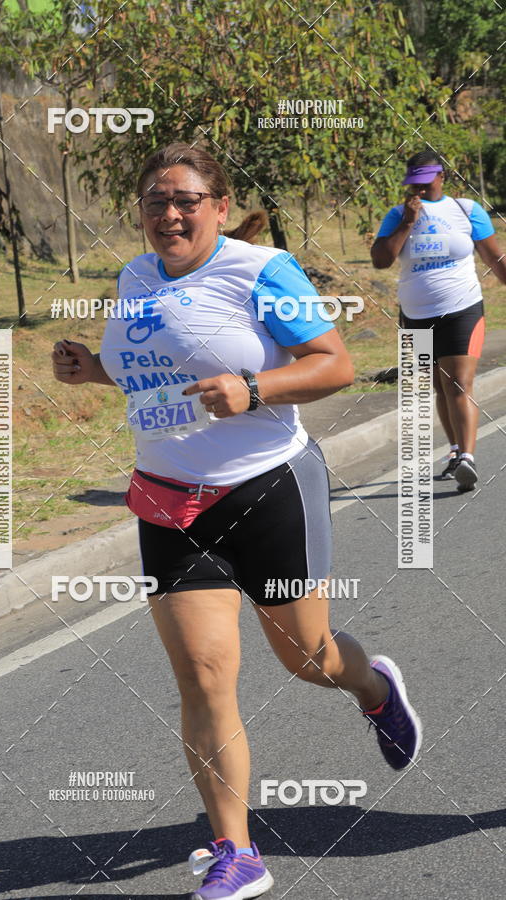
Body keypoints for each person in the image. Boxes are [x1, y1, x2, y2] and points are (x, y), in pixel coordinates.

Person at [53, 142, 422, 900]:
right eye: (156, 201)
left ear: (219, 208)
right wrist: (93, 368)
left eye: (186, 200)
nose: (169, 214)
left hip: (267, 488)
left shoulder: (261, 271)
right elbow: (156, 372)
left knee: (308, 657)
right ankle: (236, 850)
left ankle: (374, 689)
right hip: (169, 500)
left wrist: (256, 389)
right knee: (203, 676)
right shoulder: (134, 277)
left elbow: (335, 363)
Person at [371, 149, 506, 492]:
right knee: (441, 387)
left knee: (458, 383)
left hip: (463, 308)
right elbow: (381, 260)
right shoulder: (397, 215)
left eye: (425, 181)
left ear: (441, 177)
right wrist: (407, 222)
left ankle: (468, 458)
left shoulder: (466, 210)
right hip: (415, 315)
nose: (418, 188)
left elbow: (494, 257)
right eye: (413, 183)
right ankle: (456, 451)